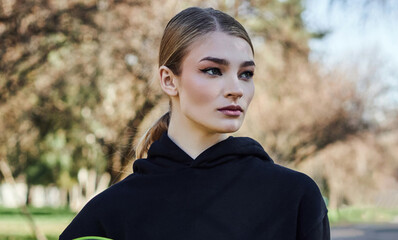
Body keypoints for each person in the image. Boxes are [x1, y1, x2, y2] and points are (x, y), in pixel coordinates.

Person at [60, 7, 330, 240]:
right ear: (169, 80)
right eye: (213, 70)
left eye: (246, 74)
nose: (236, 88)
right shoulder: (109, 214)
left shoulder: (294, 198)